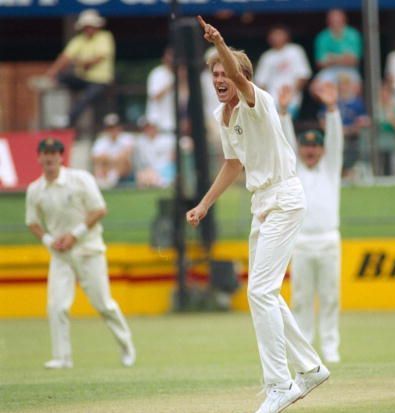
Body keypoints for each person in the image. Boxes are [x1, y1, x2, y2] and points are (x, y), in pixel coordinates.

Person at [186, 17, 329, 413]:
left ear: (240, 77)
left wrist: (220, 43)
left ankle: (280, 383)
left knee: (259, 292)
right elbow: (233, 165)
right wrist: (204, 204)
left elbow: (237, 72)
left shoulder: (258, 100)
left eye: (224, 72)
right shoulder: (221, 116)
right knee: (265, 293)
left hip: (284, 196)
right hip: (261, 203)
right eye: (213, 72)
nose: (219, 77)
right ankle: (311, 368)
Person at [25, 137, 135, 369]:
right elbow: (32, 222)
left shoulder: (80, 179)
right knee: (57, 306)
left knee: (103, 304)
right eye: (45, 152)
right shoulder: (35, 190)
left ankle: (126, 346)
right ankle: (62, 357)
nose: (49, 157)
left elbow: (99, 210)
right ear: (39, 157)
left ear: (60, 156)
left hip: (89, 250)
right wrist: (49, 240)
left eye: (54, 152)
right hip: (61, 255)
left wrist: (75, 234)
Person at [278, 83, 343, 364]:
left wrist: (331, 110)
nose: (311, 151)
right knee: (301, 298)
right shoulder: (294, 170)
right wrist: (282, 112)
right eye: (306, 146)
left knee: (330, 297)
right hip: (301, 241)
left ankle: (330, 347)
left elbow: (336, 142)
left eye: (316, 146)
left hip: (329, 239)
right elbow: (284, 143)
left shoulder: (331, 168)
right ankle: (304, 347)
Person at [45, 9, 115, 127]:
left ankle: (68, 120)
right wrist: (52, 71)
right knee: (61, 77)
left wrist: (81, 63)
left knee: (85, 99)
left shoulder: (105, 37)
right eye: (86, 26)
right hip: (83, 78)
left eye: (91, 26)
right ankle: (56, 115)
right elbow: (65, 57)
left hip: (101, 81)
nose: (88, 29)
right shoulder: (79, 40)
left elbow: (99, 58)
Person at [254, 25, 312, 118]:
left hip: (291, 101)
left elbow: (303, 76)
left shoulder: (295, 50)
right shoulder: (267, 56)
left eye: (280, 34)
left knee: (285, 124)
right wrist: (265, 103)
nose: (277, 38)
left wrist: (292, 96)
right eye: (274, 35)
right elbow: (260, 84)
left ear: (287, 36)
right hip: (271, 103)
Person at [311, 9, 362, 94]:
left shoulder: (353, 34)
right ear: (328, 21)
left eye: (338, 20)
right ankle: (326, 106)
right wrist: (343, 58)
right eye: (333, 20)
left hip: (349, 70)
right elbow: (320, 63)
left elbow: (354, 61)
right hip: (329, 70)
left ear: (344, 20)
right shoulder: (322, 36)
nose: (335, 22)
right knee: (315, 88)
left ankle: (351, 106)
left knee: (355, 87)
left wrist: (332, 58)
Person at [91, 113, 134, 189]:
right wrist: (112, 160)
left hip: (123, 169)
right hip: (107, 167)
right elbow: (95, 157)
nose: (113, 130)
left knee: (123, 162)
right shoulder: (101, 141)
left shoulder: (127, 138)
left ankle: (109, 180)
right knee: (99, 165)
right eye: (110, 128)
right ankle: (106, 180)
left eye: (115, 127)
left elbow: (126, 155)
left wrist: (108, 159)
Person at [133, 118, 175, 188]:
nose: (149, 130)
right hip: (149, 171)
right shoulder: (140, 141)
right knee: (142, 177)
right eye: (147, 128)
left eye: (151, 127)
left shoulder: (166, 139)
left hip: (166, 170)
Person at [146, 47, 175, 134]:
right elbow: (155, 96)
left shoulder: (178, 74)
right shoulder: (157, 73)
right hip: (157, 122)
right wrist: (172, 85)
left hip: (172, 123)